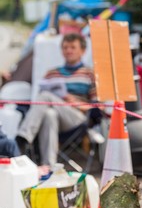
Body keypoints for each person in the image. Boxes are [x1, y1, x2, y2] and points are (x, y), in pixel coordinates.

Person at [15, 33, 96, 166]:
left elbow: (97, 106)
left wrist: (75, 103)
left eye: (72, 47)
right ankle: (49, 167)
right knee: (49, 115)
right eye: (65, 47)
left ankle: (23, 138)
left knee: (46, 96)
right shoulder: (51, 73)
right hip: (56, 115)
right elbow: (40, 105)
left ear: (83, 51)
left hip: (76, 117)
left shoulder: (89, 73)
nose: (68, 50)